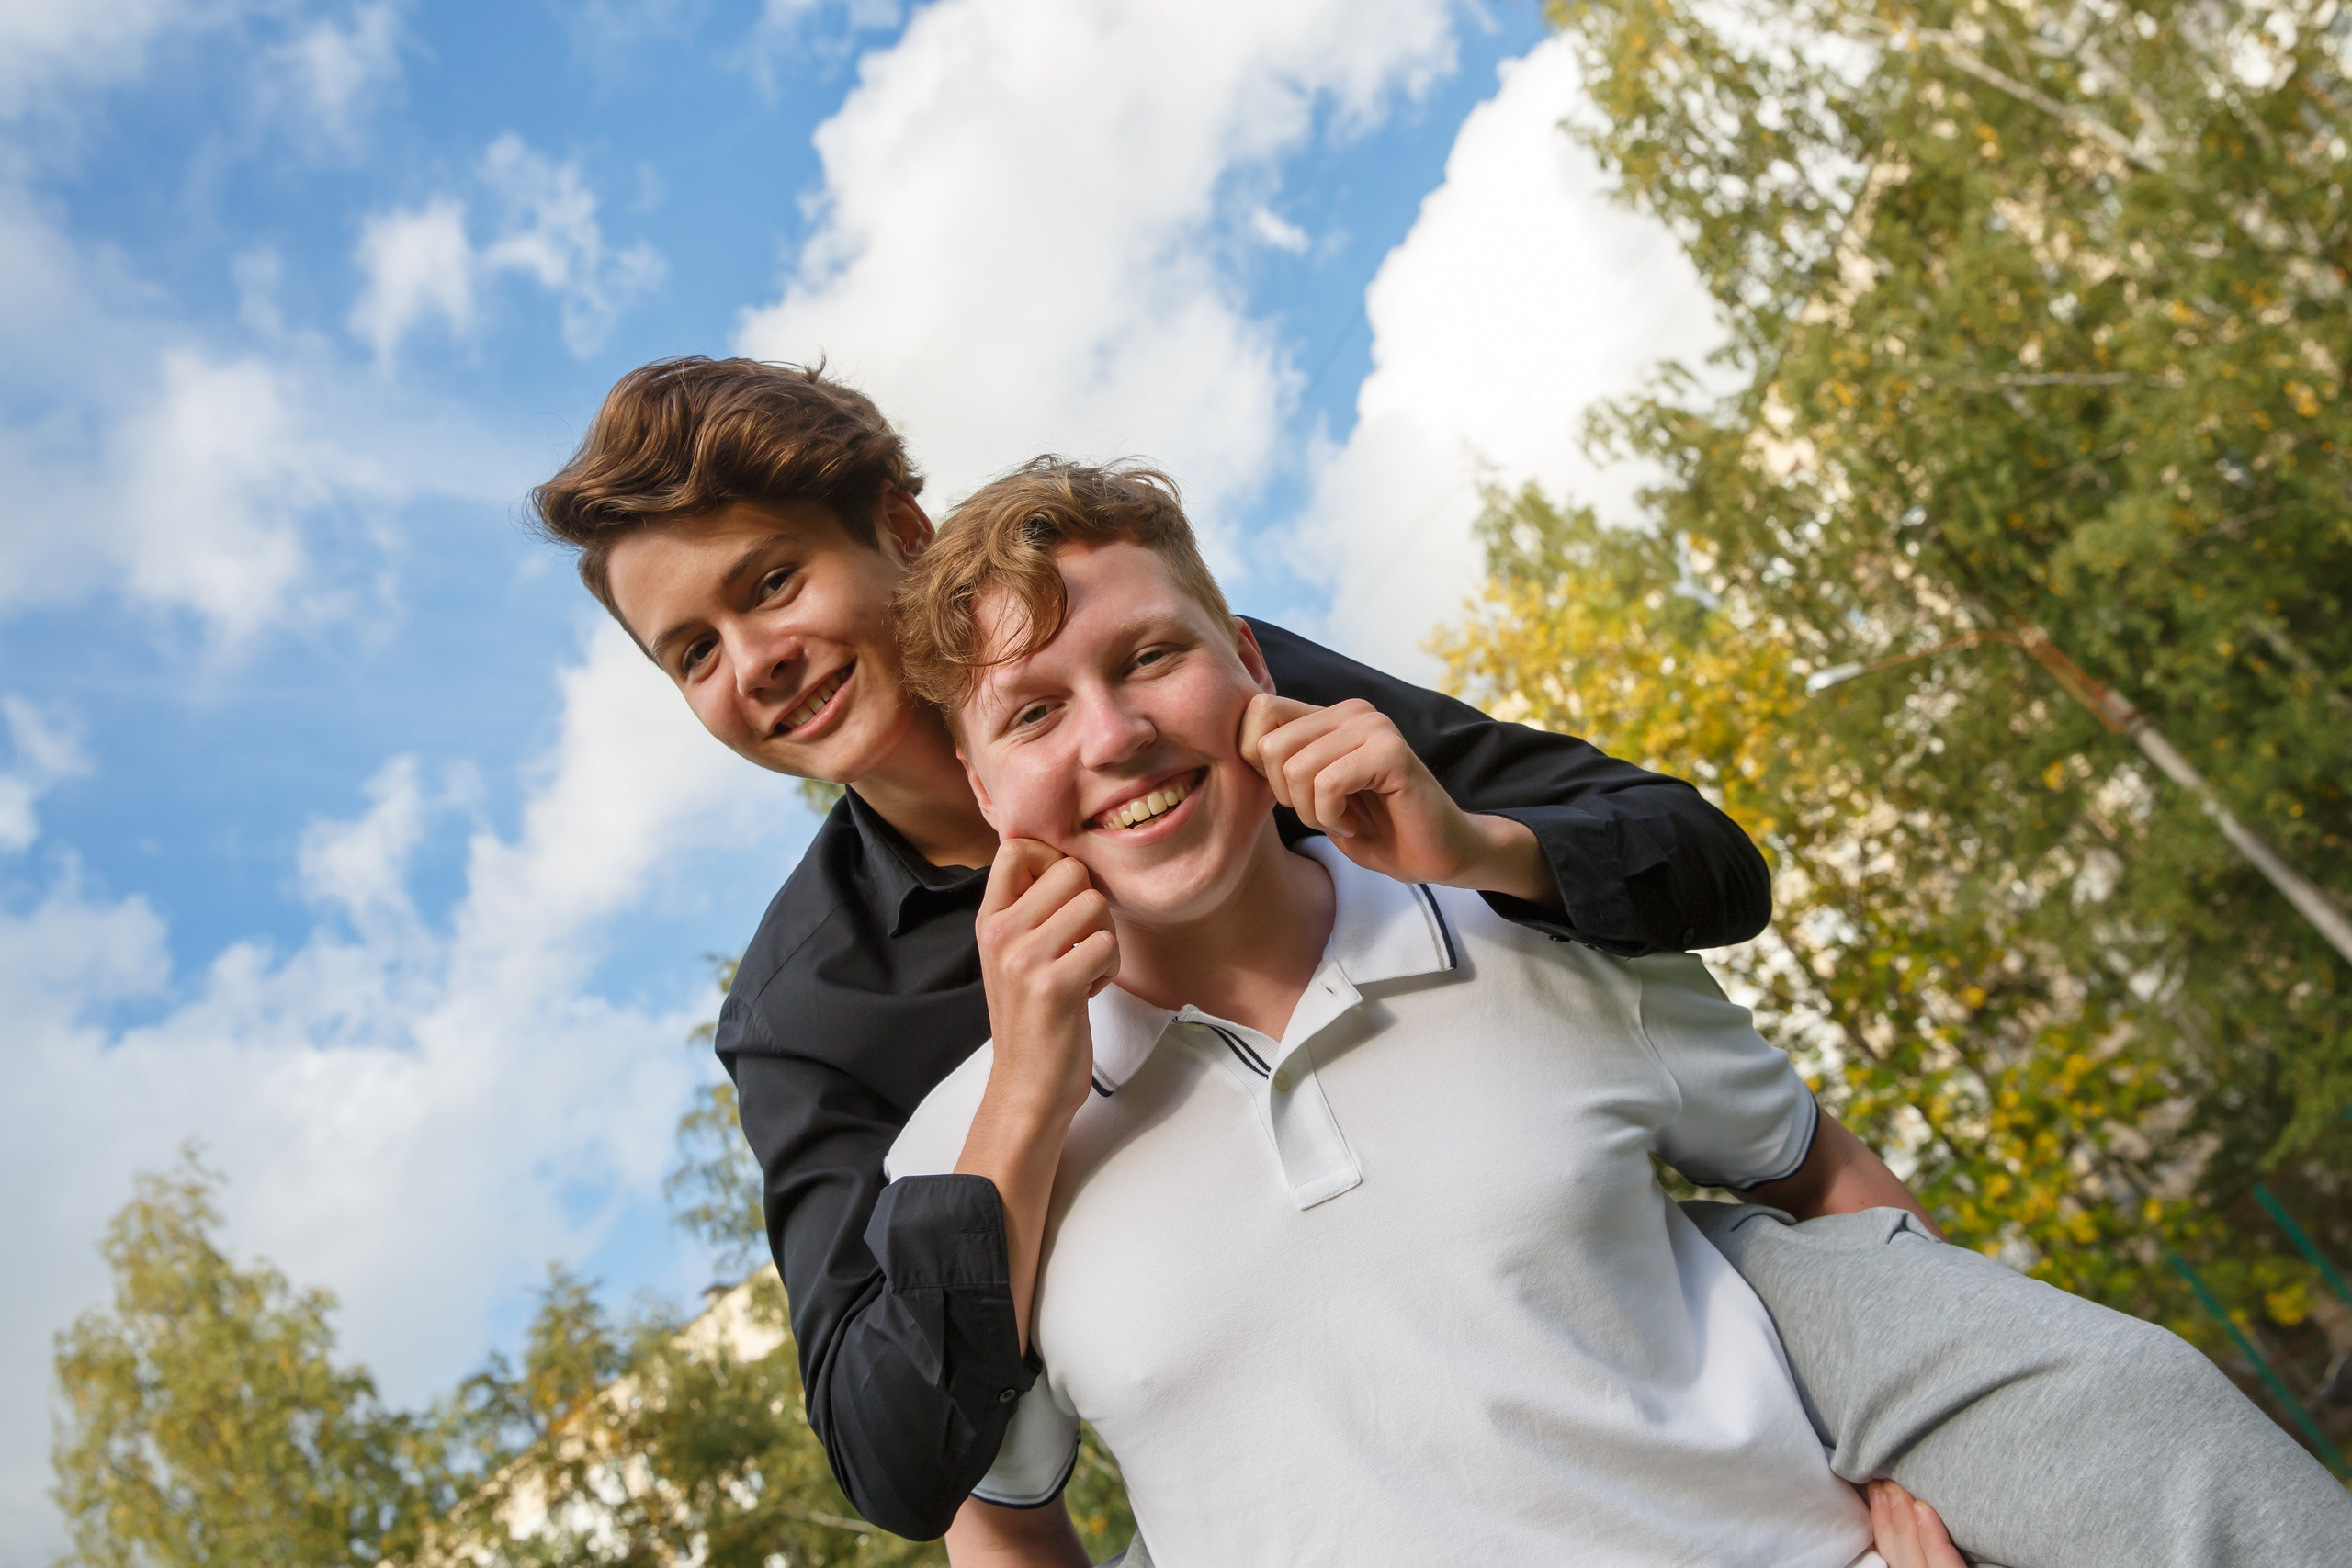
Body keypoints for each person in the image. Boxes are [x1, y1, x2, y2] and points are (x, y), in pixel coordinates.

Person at [529, 362, 2351, 1563]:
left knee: (2095, 1410)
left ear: (901, 542)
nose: (747, 662)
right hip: (1226, 1388)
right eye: (689, 651)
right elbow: (910, 1446)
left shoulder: (1200, 682)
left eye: (766, 585)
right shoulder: (814, 1014)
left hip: (1578, 1228)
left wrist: (1474, 848)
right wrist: (1018, 1082)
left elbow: (1683, 877)